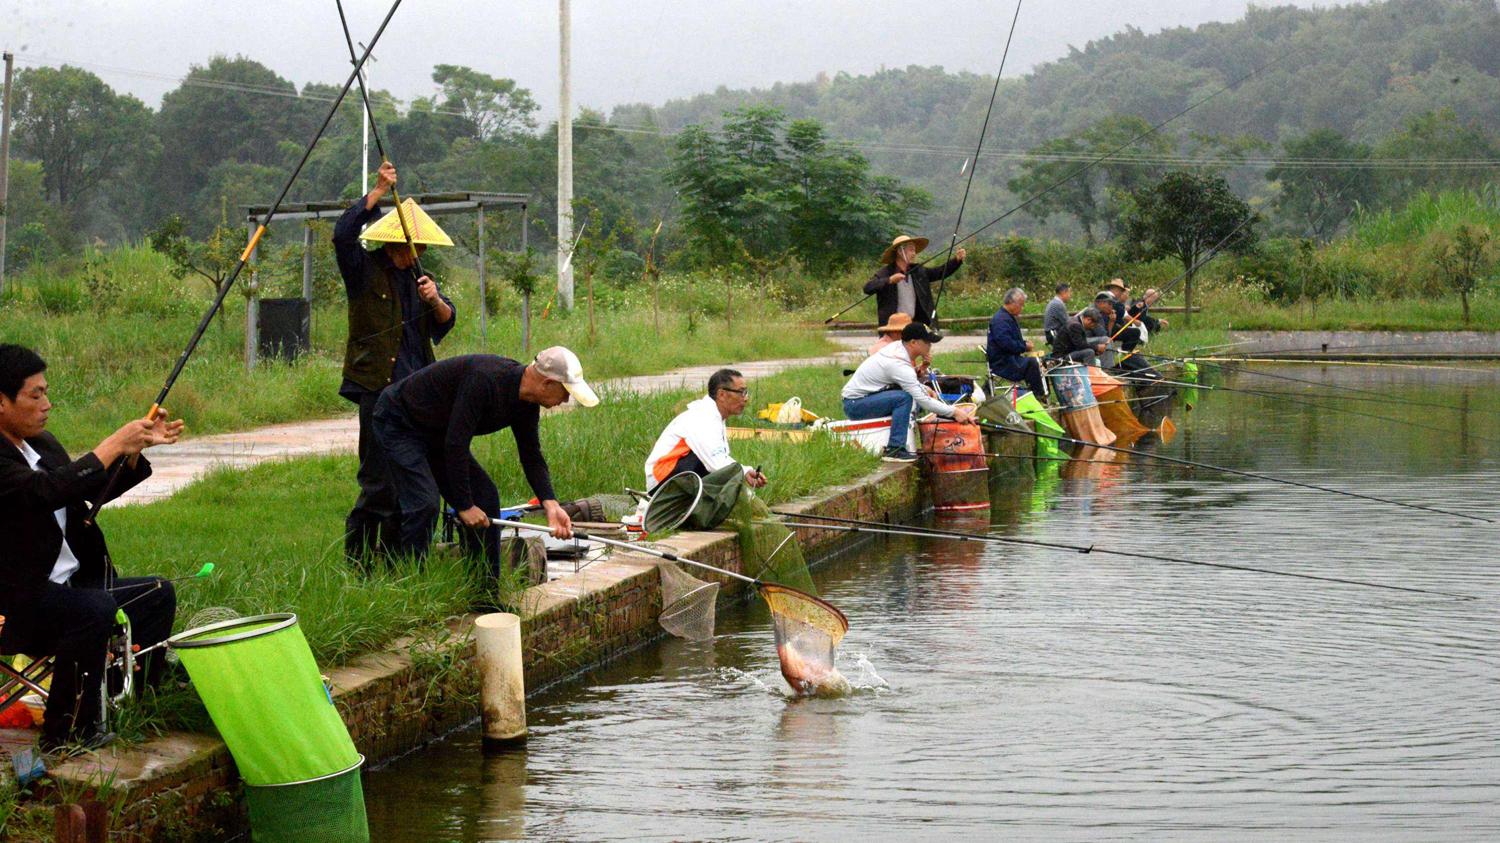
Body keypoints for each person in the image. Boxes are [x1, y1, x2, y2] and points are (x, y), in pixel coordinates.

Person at [0, 345, 182, 752]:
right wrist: (113, 442)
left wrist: (131, 454)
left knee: (155, 594)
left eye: (47, 392)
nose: (47, 404)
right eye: (35, 395)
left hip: (68, 589)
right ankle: (68, 732)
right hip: (17, 602)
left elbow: (83, 491)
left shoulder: (41, 445)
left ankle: (131, 702)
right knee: (94, 609)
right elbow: (42, 492)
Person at [373, 348, 596, 575]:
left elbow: (531, 455)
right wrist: (464, 505)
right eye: (565, 392)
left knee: (486, 499)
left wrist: (551, 504)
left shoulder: (527, 403)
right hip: (400, 421)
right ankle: (408, 584)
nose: (566, 399)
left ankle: (484, 594)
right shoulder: (486, 379)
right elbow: (456, 444)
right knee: (424, 503)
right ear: (547, 383)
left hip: (438, 433)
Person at [334, 161, 457, 565]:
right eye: (413, 247)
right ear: (395, 244)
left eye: (422, 248)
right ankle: (360, 561)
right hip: (377, 388)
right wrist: (377, 192)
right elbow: (342, 236)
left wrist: (435, 300)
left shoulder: (422, 279)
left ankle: (401, 559)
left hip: (417, 393)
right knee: (378, 481)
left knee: (416, 478)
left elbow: (447, 320)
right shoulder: (363, 271)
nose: (418, 253)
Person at [841, 322, 976, 462]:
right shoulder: (897, 363)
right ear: (913, 342)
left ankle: (906, 440)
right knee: (904, 398)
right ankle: (895, 449)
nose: (930, 345)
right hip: (855, 405)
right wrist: (954, 412)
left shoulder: (898, 348)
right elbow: (923, 400)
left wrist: (921, 373)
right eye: (927, 342)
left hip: (865, 398)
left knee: (912, 394)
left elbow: (906, 381)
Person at [643, 369, 768, 493]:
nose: (745, 398)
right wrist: (744, 472)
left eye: (746, 392)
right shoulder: (702, 418)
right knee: (720, 472)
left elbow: (719, 458)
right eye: (741, 392)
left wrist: (745, 471)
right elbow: (716, 462)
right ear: (722, 394)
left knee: (724, 475)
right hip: (662, 481)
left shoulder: (715, 417)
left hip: (672, 476)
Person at [862, 235, 966, 329]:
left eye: (915, 250)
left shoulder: (918, 271)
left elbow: (939, 272)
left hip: (915, 324)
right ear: (900, 251)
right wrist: (889, 280)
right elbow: (868, 288)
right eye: (911, 250)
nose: (914, 254)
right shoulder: (886, 272)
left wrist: (956, 261)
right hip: (892, 327)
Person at [985, 287, 1046, 397]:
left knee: (1041, 360)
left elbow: (1011, 340)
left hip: (1009, 359)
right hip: (1003, 363)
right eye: (1021, 305)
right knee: (1033, 363)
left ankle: (1036, 394)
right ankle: (1038, 396)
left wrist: (1024, 343)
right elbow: (1006, 344)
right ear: (1012, 303)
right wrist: (1024, 346)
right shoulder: (1000, 320)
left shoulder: (1006, 317)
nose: (1022, 308)